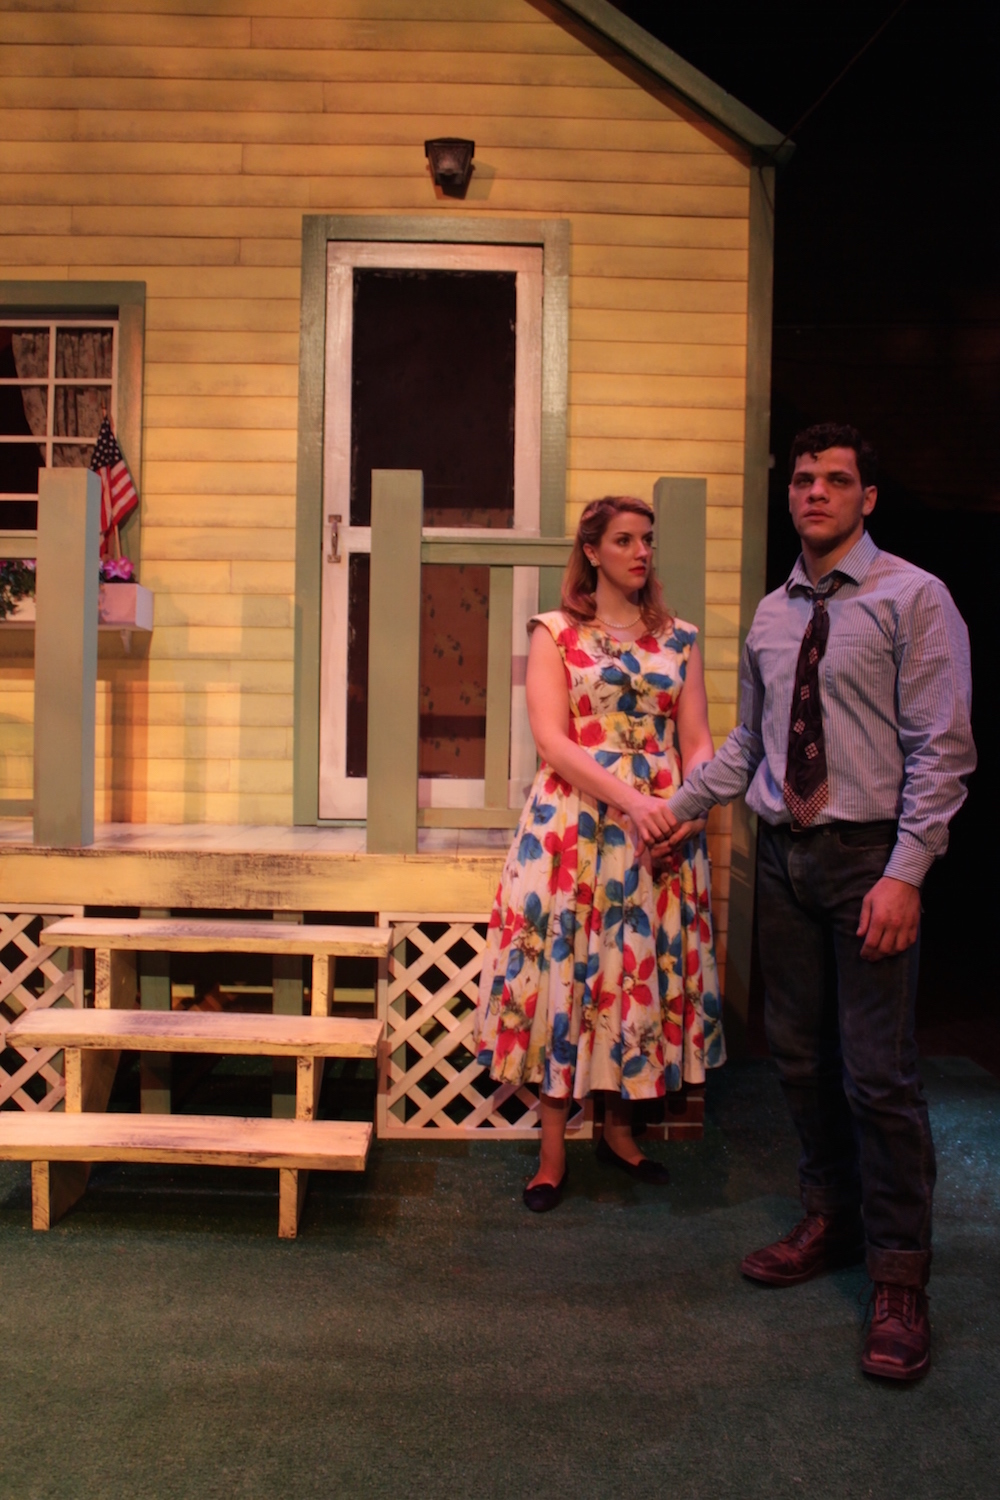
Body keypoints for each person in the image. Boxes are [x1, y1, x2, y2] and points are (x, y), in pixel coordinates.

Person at [658, 423, 975, 1382]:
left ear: (867, 497)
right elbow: (751, 743)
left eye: (837, 480)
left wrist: (905, 874)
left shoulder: (914, 598)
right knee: (798, 1060)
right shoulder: (772, 614)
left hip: (869, 859)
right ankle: (831, 1219)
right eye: (803, 479)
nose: (816, 493)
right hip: (783, 859)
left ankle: (899, 1278)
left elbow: (942, 751)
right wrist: (674, 809)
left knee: (878, 1075)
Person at [474, 495, 725, 1212]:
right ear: (591, 551)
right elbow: (553, 740)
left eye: (647, 539)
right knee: (570, 971)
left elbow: (696, 738)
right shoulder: (555, 633)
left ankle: (619, 1131)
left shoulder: (680, 638)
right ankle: (552, 1149)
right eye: (623, 540)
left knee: (630, 970)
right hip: (577, 827)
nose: (641, 552)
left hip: (662, 829)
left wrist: (690, 804)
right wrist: (633, 802)